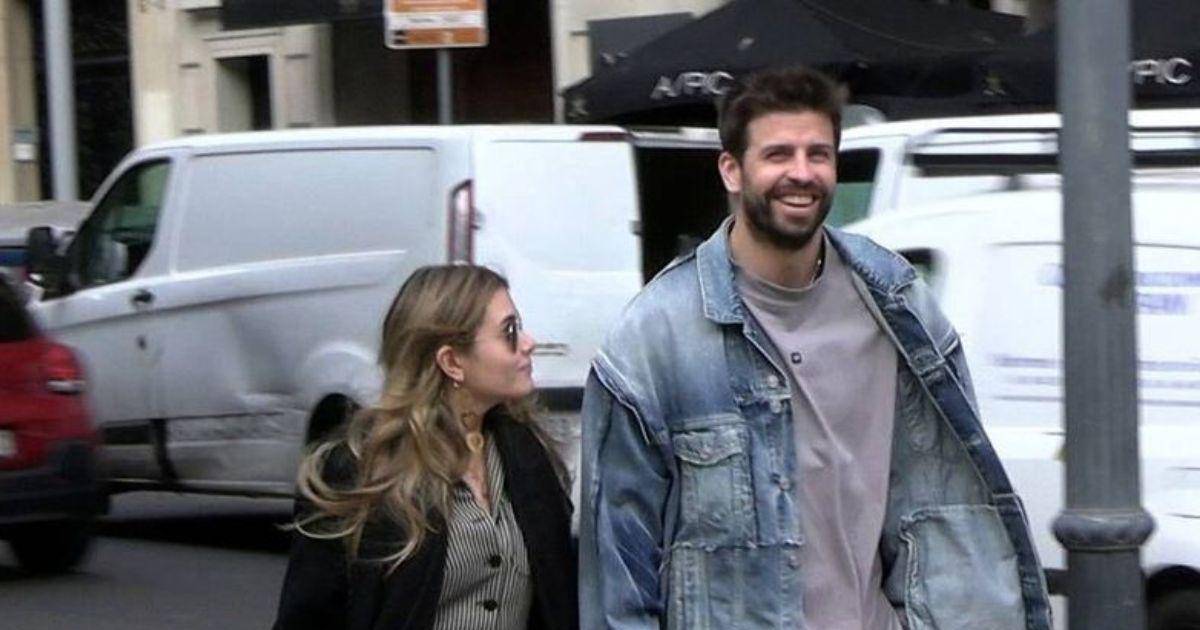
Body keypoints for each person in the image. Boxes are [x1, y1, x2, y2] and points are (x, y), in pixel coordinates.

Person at [578, 66, 1052, 629]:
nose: (801, 173)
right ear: (731, 169)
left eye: (818, 154)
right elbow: (618, 575)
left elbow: (954, 513)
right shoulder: (654, 337)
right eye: (778, 155)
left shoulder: (898, 305)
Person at [273, 265, 577, 630]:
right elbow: (310, 615)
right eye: (509, 332)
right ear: (452, 362)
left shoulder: (527, 455)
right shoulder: (361, 472)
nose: (529, 343)